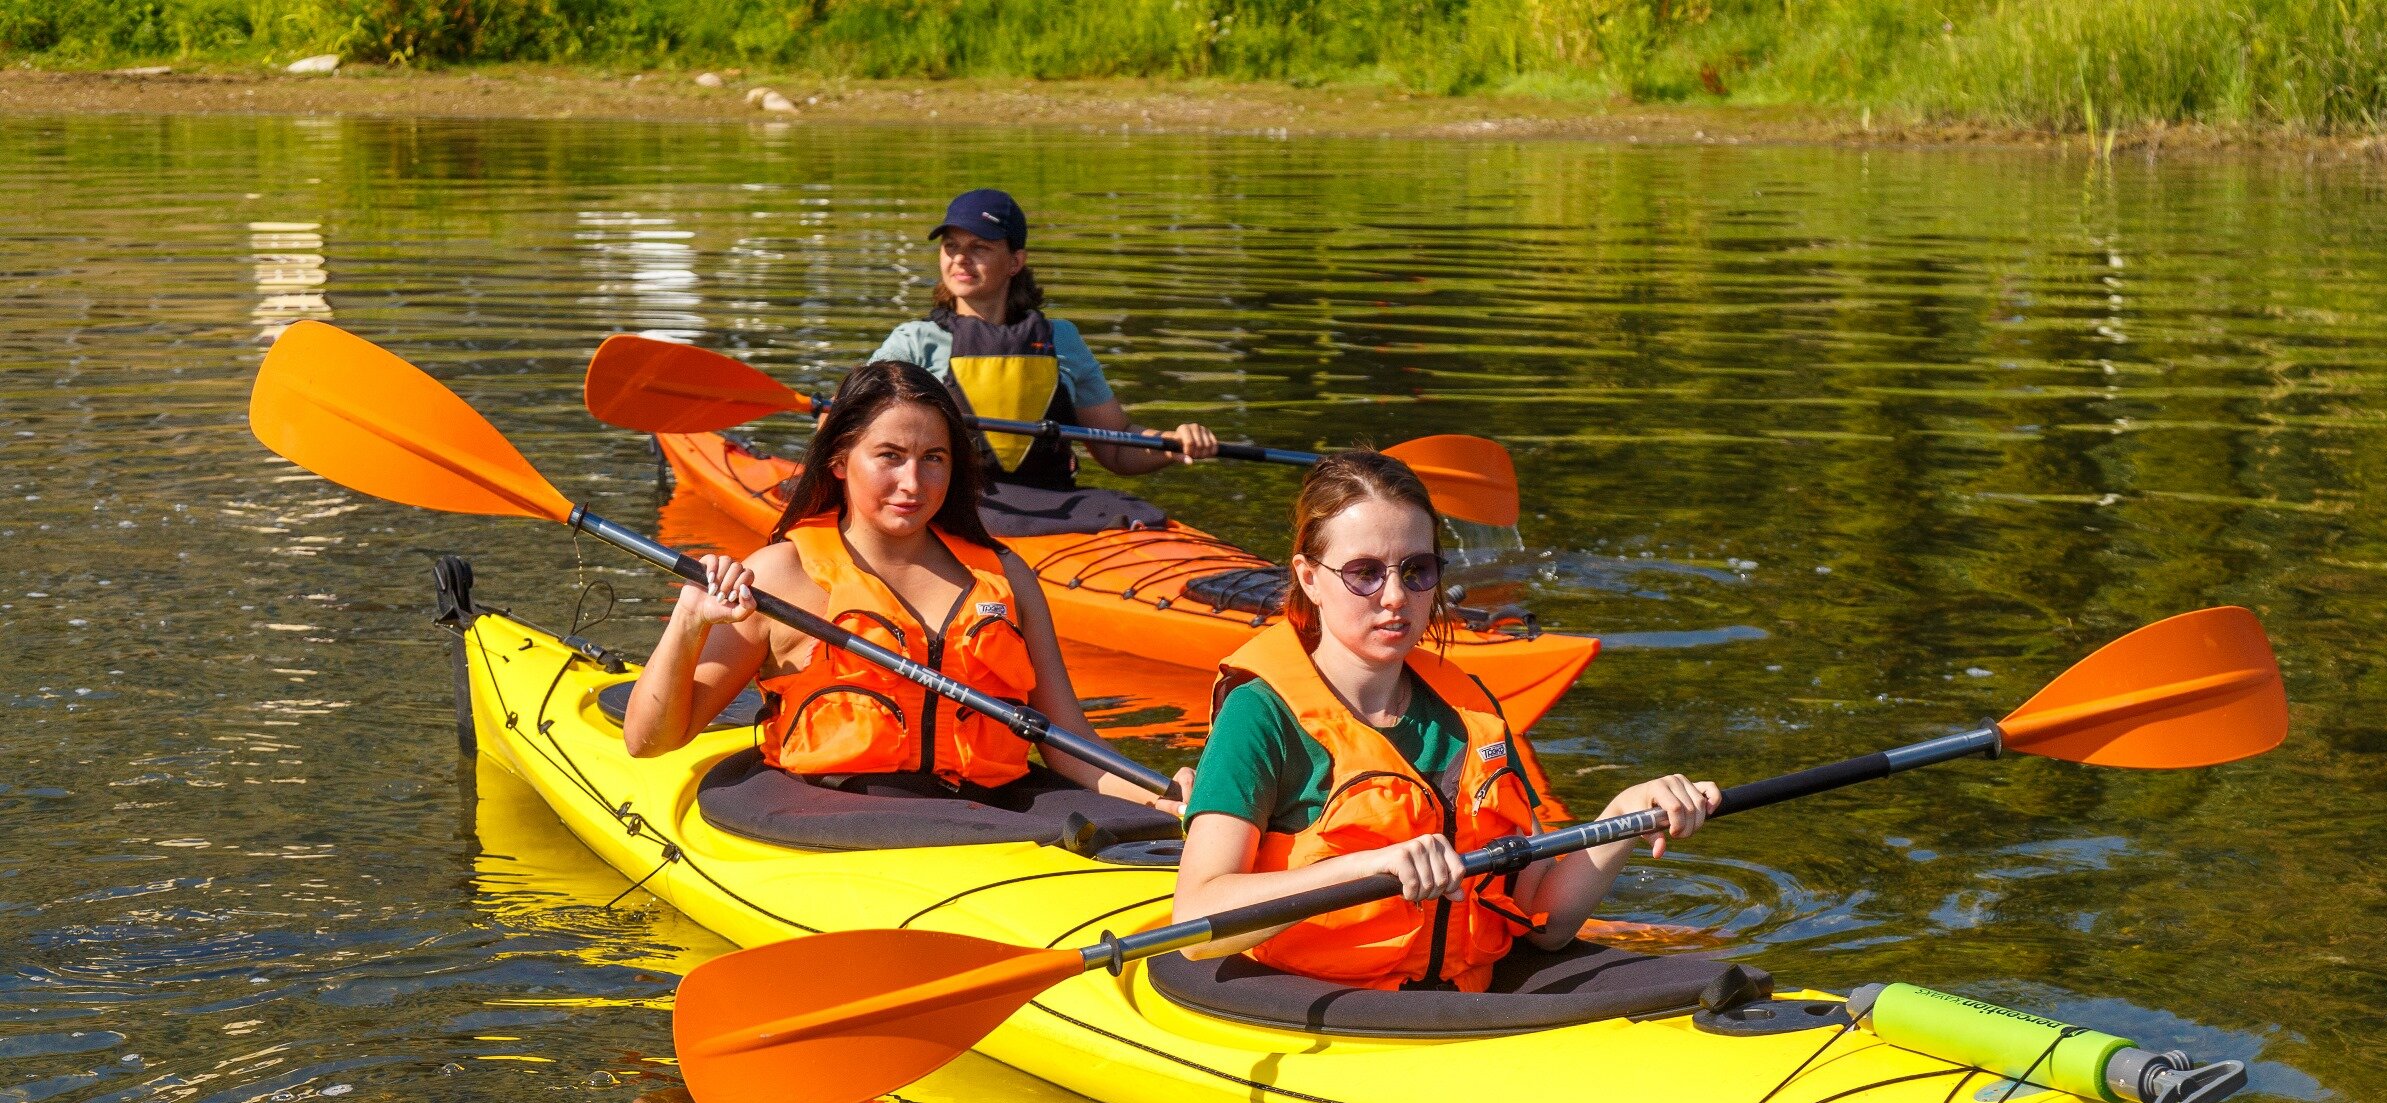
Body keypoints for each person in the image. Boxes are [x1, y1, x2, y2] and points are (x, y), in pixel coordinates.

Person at [1172, 451, 1716, 989]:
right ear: (1309, 578)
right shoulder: (1261, 716)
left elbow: (1540, 920)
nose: (1394, 597)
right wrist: (1365, 868)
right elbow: (1195, 925)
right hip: (1312, 1003)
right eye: (1363, 573)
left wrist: (1623, 819)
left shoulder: (1468, 709)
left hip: (1460, 1001)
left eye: (1417, 571)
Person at [622, 360, 1179, 814]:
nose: (913, 483)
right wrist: (687, 623)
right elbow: (650, 741)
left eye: (933, 459)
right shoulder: (780, 576)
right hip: (842, 820)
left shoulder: (1005, 577)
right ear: (840, 459)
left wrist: (1172, 797)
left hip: (989, 815)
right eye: (889, 456)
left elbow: (1069, 747)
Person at [868, 187, 1216, 519]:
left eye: (980, 247)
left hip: (1053, 504)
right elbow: (844, 421)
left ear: (1015, 261)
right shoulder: (914, 342)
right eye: (951, 246)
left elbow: (1116, 446)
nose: (960, 258)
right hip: (953, 505)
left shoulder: (1061, 340)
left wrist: (1172, 443)